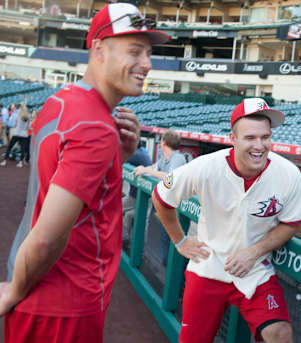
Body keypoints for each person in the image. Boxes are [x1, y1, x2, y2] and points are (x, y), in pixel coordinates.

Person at [0, 3, 169, 343]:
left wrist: (115, 159)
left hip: (42, 289)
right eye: (134, 51)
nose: (147, 64)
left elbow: (61, 187)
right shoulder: (95, 126)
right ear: (98, 50)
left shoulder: (61, 101)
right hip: (62, 304)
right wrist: (15, 289)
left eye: (149, 53)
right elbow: (48, 237)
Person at [152, 98, 301, 343]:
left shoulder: (288, 173)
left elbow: (292, 222)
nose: (260, 145)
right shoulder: (205, 166)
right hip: (208, 265)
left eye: (265, 137)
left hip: (255, 270)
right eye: (250, 138)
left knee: (281, 335)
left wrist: (255, 251)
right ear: (232, 139)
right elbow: (161, 196)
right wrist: (180, 240)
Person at [135, 129, 186, 265]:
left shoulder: (178, 158)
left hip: (179, 212)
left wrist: (146, 170)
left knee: (175, 253)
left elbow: (170, 178)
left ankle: (180, 283)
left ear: (164, 143)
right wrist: (143, 168)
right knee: (166, 254)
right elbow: (155, 167)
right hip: (167, 209)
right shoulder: (165, 158)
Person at [0, 103, 30, 168]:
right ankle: (21, 162)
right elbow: (28, 126)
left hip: (17, 133)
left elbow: (14, 124)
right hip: (24, 134)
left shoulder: (17, 115)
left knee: (10, 147)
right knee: (22, 149)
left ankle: (4, 161)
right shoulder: (28, 116)